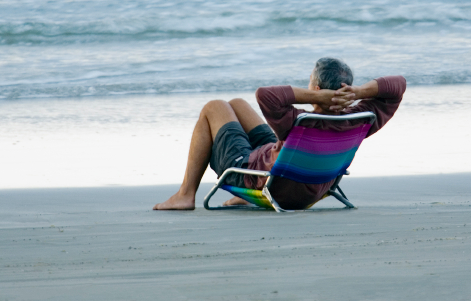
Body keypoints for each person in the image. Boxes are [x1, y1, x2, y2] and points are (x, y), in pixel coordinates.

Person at [153, 58, 406, 211]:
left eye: (310, 84)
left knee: (215, 107)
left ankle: (186, 194)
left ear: (316, 89)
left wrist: (316, 98)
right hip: (309, 184)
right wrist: (360, 92)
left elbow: (266, 94)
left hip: (263, 178)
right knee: (238, 104)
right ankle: (243, 200)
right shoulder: (360, 119)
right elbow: (398, 84)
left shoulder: (299, 122)